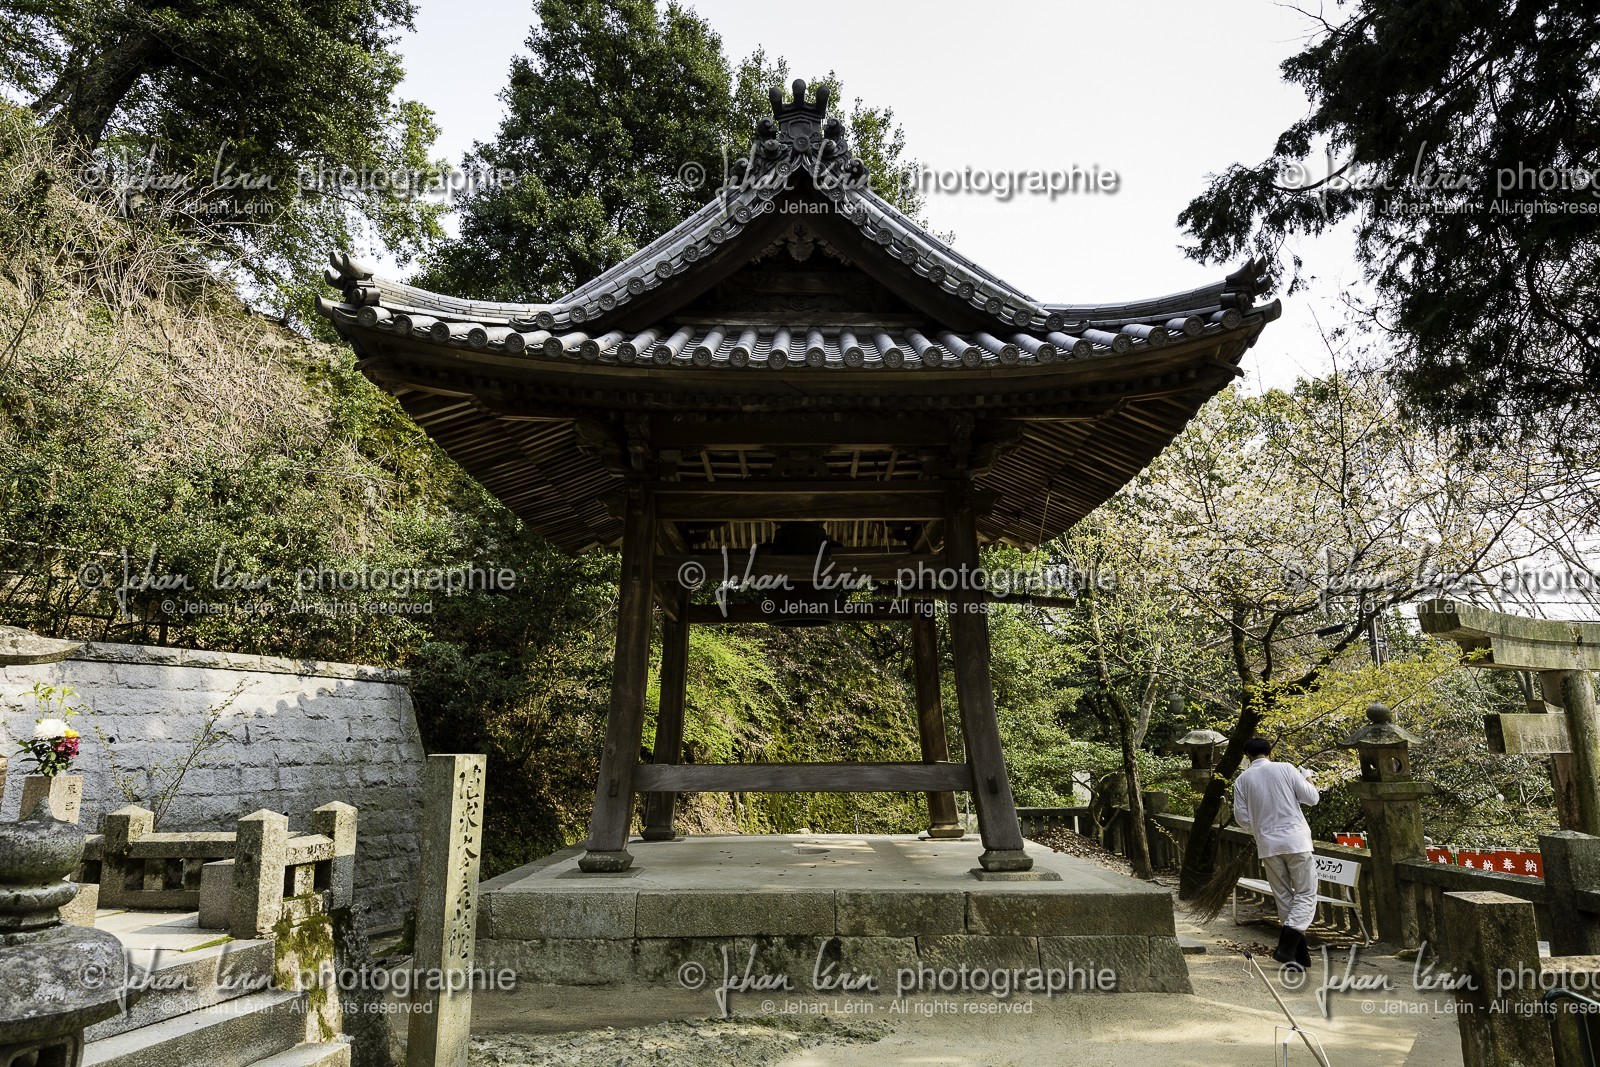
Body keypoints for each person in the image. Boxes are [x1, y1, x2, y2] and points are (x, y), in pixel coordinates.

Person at [1232, 736, 1320, 969]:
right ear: (1270, 752)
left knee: (1283, 896)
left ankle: (1296, 956)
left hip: (1268, 845)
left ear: (1247, 756)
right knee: (1306, 894)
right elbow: (1312, 798)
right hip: (1296, 841)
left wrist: (1261, 826)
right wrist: (1308, 777)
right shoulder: (1286, 769)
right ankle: (1286, 947)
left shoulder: (1242, 780)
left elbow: (1242, 819)